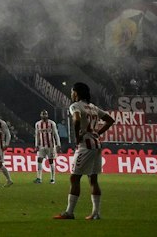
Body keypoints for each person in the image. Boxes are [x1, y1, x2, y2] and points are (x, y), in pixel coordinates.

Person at [54, 82, 114, 221]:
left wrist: (77, 136)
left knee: (75, 177)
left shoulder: (75, 106)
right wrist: (98, 132)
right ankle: (96, 213)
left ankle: (69, 212)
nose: (71, 94)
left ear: (76, 92)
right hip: (96, 145)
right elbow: (110, 120)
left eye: (72, 91)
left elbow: (76, 120)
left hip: (85, 146)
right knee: (93, 179)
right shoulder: (93, 107)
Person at [33, 109, 60, 184]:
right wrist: (36, 145)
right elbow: (37, 135)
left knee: (51, 161)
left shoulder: (52, 123)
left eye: (45, 114)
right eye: (43, 114)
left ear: (47, 115)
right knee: (39, 160)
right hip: (41, 146)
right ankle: (39, 178)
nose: (44, 116)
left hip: (50, 145)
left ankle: (52, 178)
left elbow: (56, 134)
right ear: (41, 115)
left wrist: (58, 144)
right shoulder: (38, 124)